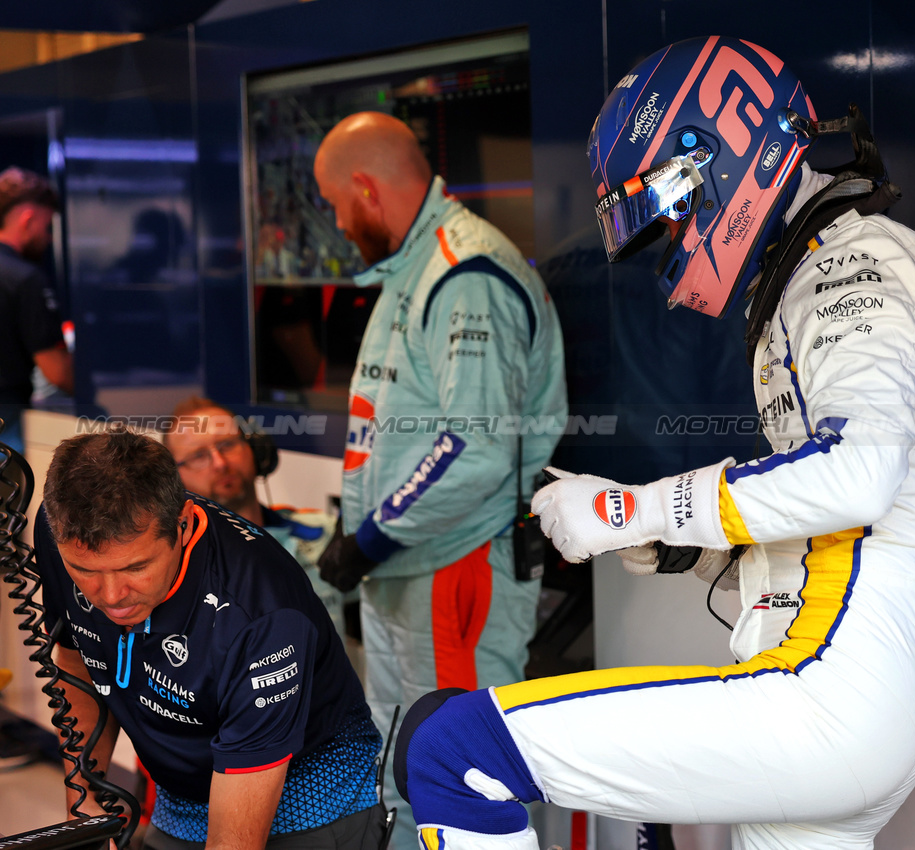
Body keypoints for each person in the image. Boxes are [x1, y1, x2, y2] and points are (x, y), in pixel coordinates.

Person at [390, 36, 915, 850]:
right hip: (844, 688)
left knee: (452, 748)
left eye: (672, 207)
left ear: (718, 151)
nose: (675, 234)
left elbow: (858, 475)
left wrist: (629, 508)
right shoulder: (818, 267)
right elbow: (838, 540)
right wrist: (685, 552)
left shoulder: (855, 265)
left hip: (828, 691)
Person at [311, 112, 568, 850]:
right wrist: (357, 536)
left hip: (456, 567)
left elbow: (476, 447)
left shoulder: (466, 275)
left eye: (335, 202)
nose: (335, 220)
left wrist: (368, 536)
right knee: (407, 763)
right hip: (407, 568)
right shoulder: (413, 270)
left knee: (464, 777)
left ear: (364, 187)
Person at [35, 430, 388, 850]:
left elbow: (234, 843)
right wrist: (85, 810)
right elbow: (78, 664)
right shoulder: (62, 528)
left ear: (182, 524)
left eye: (135, 567)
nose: (110, 596)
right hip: (182, 796)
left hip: (309, 804)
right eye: (86, 571)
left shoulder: (261, 613)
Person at [163, 397, 345, 635]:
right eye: (198, 456)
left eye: (227, 445)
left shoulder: (322, 533)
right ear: (176, 480)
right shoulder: (176, 568)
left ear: (255, 448)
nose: (219, 463)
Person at [0, 167, 72, 452]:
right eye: (47, 227)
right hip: (6, 419)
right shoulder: (25, 278)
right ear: (28, 219)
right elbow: (57, 372)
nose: (49, 238)